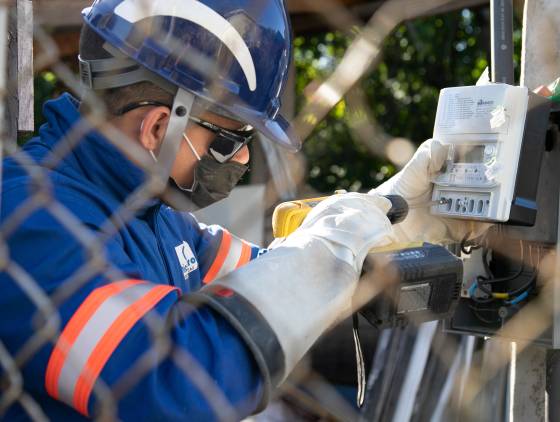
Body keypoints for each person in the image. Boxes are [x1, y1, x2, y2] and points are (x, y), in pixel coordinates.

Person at [0, 1, 480, 420]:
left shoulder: (157, 219)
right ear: (157, 128)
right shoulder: (28, 219)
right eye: (232, 139)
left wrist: (388, 216)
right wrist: (325, 248)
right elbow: (175, 386)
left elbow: (271, 276)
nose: (245, 159)